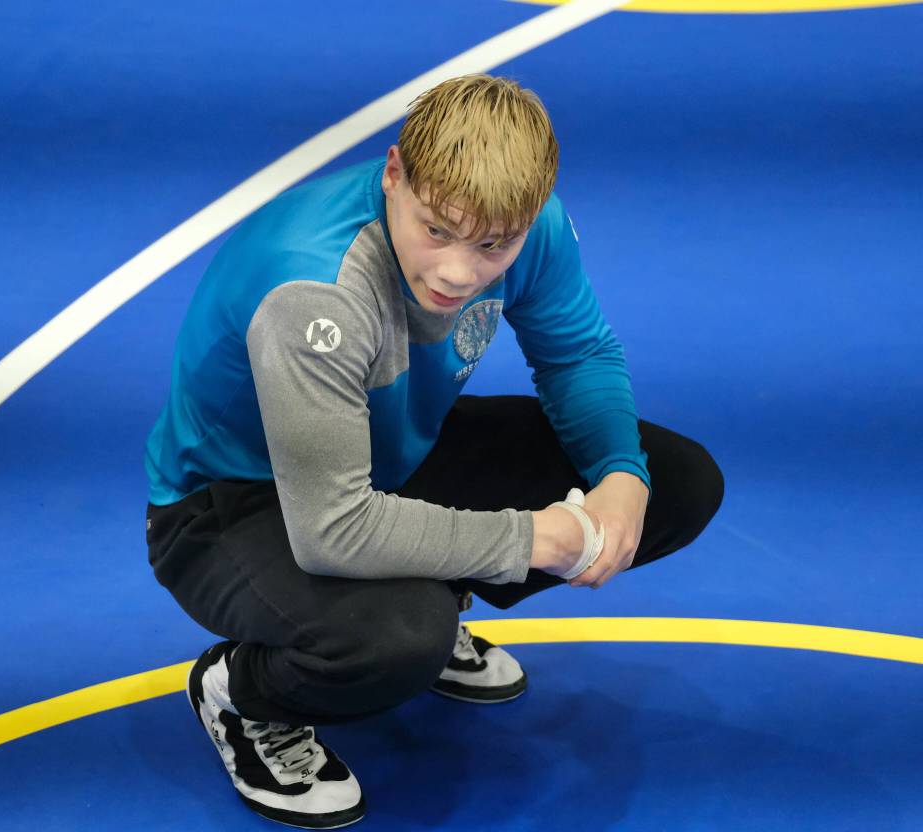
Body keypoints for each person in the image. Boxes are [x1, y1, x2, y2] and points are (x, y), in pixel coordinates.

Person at [144, 74, 723, 829]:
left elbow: (578, 356)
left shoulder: (528, 222)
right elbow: (333, 528)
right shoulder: (314, 291)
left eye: (492, 245)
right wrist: (532, 538)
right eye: (435, 230)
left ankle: (434, 582)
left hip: (391, 449)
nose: (458, 271)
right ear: (393, 173)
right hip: (235, 501)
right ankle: (243, 693)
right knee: (394, 638)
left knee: (677, 482)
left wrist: (621, 473)